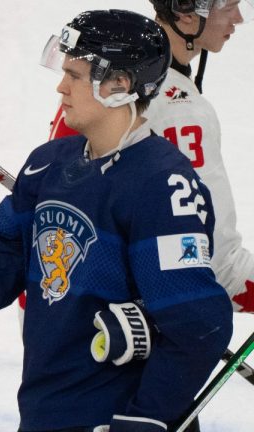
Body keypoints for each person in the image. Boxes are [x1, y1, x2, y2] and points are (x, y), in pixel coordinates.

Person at [0, 10, 232, 432]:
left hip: (112, 421)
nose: (61, 86)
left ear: (120, 86)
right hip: (45, 415)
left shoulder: (162, 184)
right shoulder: (49, 165)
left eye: (75, 75)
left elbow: (197, 326)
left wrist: (142, 419)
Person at [43, 0, 254, 313]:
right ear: (186, 16)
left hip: (54, 292)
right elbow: (217, 263)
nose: (238, 18)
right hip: (115, 325)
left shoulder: (109, 82)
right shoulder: (179, 109)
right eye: (229, 6)